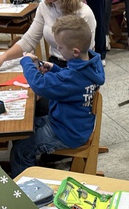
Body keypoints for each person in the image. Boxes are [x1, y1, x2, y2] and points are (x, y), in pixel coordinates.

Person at [9, 15, 104, 175]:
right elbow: (75, 82)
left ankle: (25, 186)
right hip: (74, 124)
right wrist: (55, 69)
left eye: (59, 47)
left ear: (75, 51)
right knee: (21, 130)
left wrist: (26, 62)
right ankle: (32, 168)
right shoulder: (93, 64)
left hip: (65, 132)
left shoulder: (71, 78)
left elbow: (39, 85)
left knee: (20, 151)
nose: (57, 50)